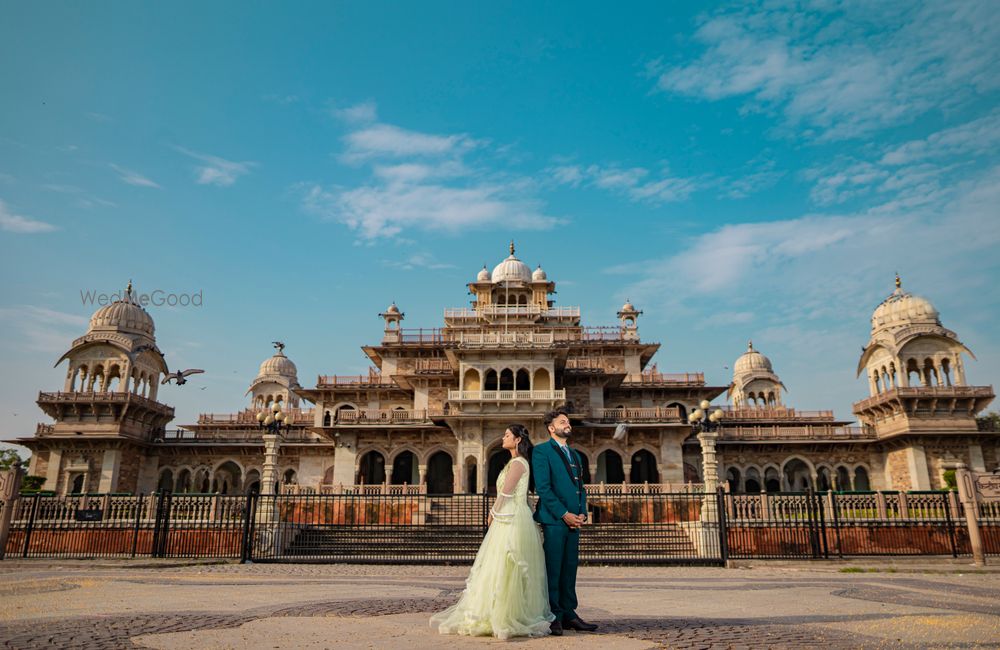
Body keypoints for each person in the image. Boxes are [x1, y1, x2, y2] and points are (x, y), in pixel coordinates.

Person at [430, 424, 554, 639]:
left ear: (517, 440)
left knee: (507, 563)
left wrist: (492, 513)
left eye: (507, 435)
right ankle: (502, 611)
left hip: (511, 518)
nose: (503, 437)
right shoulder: (516, 463)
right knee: (503, 565)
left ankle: (506, 613)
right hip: (514, 516)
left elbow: (506, 493)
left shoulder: (518, 463)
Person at [532, 408, 599, 636]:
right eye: (563, 421)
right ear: (552, 428)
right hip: (554, 519)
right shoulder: (541, 452)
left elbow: (580, 488)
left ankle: (569, 613)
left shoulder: (575, 454)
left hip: (574, 520)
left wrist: (581, 513)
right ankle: (554, 616)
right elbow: (543, 488)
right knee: (553, 568)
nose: (567, 424)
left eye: (568, 421)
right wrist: (564, 514)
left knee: (569, 568)